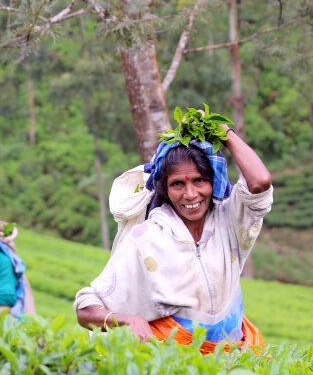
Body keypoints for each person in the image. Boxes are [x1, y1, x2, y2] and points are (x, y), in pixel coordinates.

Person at [74, 123, 273, 354]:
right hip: (176, 361)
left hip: (235, 357)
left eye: (199, 180)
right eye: (178, 184)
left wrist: (223, 131)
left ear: (214, 182)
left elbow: (260, 181)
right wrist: (129, 320)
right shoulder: (147, 238)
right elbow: (86, 309)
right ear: (165, 190)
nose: (190, 194)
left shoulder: (229, 220)